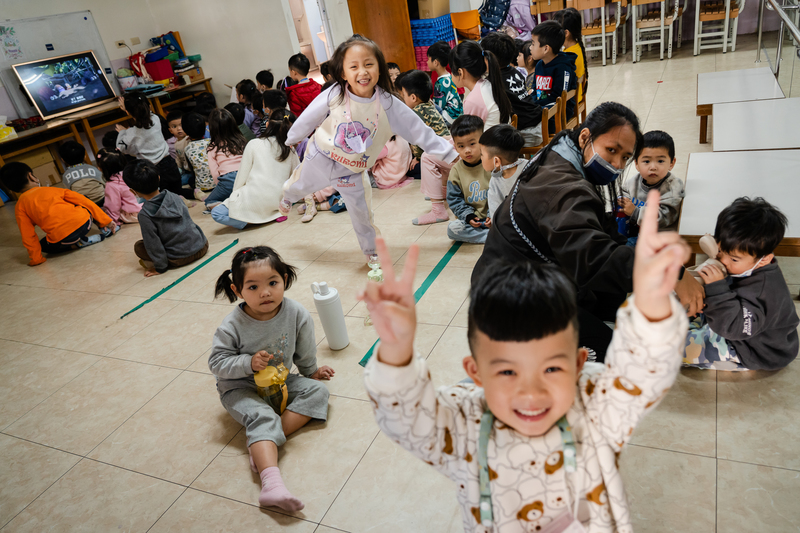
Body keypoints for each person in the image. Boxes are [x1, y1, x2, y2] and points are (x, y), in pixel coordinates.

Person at [359, 191, 690, 532]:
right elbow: (408, 420)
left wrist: (652, 314)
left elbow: (643, 376)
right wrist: (396, 352)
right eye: (506, 371)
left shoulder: (593, 400)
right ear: (476, 373)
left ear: (579, 363)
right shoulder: (464, 422)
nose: (531, 393)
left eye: (551, 368)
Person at [472, 102, 706, 361]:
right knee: (607, 353)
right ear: (586, 137)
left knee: (615, 290)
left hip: (537, 273)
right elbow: (594, 257)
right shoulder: (562, 186)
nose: (617, 164)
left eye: (626, 157)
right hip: (511, 300)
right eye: (611, 150)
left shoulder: (565, 151)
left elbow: (600, 232)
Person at [279, 34, 458, 264]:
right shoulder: (335, 93)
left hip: (352, 171)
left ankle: (371, 252)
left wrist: (449, 153)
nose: (362, 72)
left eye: (368, 64)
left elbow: (419, 130)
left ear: (379, 69)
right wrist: (292, 137)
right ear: (343, 73)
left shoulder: (388, 103)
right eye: (354, 66)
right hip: (321, 156)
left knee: (362, 214)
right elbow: (310, 116)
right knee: (300, 184)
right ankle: (287, 197)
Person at [210, 246, 334, 512]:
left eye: (273, 283)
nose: (265, 292)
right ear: (237, 291)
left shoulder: (296, 312)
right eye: (252, 287)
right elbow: (217, 364)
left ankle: (262, 442)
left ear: (285, 281)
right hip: (240, 388)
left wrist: (311, 371)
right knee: (263, 416)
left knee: (318, 392)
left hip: (280, 381)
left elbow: (305, 348)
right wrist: (247, 362)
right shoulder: (232, 325)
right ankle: (271, 485)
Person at [684, 197, 799, 371]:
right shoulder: (745, 266)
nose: (722, 260)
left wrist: (717, 289)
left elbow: (736, 328)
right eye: (721, 251)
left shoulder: (762, 291)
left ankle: (727, 358)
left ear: (764, 259)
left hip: (751, 346)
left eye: (734, 259)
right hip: (732, 318)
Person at [0, 161, 116, 265]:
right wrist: (106, 221)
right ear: (31, 176)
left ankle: (77, 244)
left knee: (43, 246)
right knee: (84, 201)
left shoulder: (20, 206)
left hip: (64, 238)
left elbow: (28, 235)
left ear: (10, 189)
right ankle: (105, 229)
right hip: (85, 223)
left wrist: (36, 259)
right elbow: (85, 202)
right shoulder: (53, 190)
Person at [211, 109, 299, 229]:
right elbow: (297, 177)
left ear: (267, 124)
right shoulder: (290, 149)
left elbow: (241, 177)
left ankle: (250, 222)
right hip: (277, 203)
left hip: (253, 199)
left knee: (216, 213)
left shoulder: (254, 144)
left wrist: (235, 197)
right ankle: (272, 215)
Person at [123, 160, 208, 277]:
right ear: (159, 178)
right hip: (201, 247)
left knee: (139, 247)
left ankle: (156, 262)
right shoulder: (175, 196)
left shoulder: (145, 214)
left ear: (133, 191)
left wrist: (160, 268)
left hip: (180, 258)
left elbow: (153, 243)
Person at [395, 70, 453, 226]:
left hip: (440, 151)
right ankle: (444, 192)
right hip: (448, 146)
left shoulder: (415, 112)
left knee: (425, 160)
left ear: (413, 97)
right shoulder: (430, 104)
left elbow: (417, 140)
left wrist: (418, 157)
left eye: (404, 96)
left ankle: (438, 210)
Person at [115, 94, 191, 200]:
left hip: (152, 170)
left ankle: (176, 200)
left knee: (159, 197)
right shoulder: (155, 119)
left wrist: (122, 131)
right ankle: (186, 196)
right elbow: (146, 113)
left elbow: (121, 148)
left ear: (128, 112)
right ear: (149, 107)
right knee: (176, 190)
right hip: (169, 163)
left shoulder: (131, 133)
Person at [480, 32, 544, 146]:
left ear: (489, 58)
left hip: (526, 133)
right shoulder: (515, 71)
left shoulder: (493, 82)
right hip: (539, 124)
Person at [619, 130, 683, 245]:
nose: (653, 167)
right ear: (637, 164)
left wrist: (635, 212)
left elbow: (664, 217)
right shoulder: (634, 181)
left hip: (659, 240)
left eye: (660, 161)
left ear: (672, 163)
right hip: (637, 232)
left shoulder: (673, 188)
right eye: (647, 161)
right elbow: (624, 191)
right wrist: (622, 200)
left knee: (622, 251)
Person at [445, 115, 492, 243]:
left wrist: (492, 215)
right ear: (455, 146)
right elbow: (454, 200)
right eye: (461, 146)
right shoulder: (456, 171)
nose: (467, 150)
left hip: (494, 218)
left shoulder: (492, 164)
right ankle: (493, 238)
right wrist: (469, 216)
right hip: (471, 222)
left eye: (472, 144)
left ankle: (494, 234)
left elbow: (502, 194)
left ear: (482, 142)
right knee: (452, 229)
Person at [449, 40, 513, 130]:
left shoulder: (472, 101)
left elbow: (468, 136)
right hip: (502, 137)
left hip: (491, 142)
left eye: (451, 70)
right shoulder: (487, 84)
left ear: (461, 72)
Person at [530, 21, 578, 126]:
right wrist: (533, 103)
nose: (530, 47)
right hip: (542, 108)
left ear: (546, 48)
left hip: (559, 113)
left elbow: (559, 98)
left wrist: (536, 105)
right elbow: (535, 89)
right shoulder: (539, 65)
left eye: (533, 44)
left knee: (526, 123)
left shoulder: (563, 67)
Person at [481, 124, 526, 219]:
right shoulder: (530, 166)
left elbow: (496, 218)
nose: (480, 158)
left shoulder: (495, 182)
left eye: (482, 154)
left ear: (496, 161)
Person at [205, 108, 246, 209]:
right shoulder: (242, 141)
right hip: (245, 177)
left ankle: (229, 205)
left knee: (209, 202)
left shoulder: (212, 147)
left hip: (228, 180)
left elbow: (214, 172)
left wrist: (220, 187)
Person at [96, 148, 141, 225]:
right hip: (146, 208)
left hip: (134, 215)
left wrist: (113, 221)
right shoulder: (131, 172)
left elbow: (113, 206)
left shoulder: (111, 184)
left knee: (101, 211)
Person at [553, 8, 588, 105]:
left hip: (571, 101)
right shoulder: (576, 47)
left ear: (566, 33)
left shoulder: (568, 55)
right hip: (578, 95)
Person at [58, 140, 105, 207]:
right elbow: (104, 183)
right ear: (85, 156)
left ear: (63, 160)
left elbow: (68, 193)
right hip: (102, 199)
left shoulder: (66, 175)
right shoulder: (92, 168)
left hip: (84, 204)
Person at [427, 41, 463, 126]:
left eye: (428, 59)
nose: (427, 62)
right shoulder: (450, 76)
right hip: (458, 115)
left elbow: (438, 107)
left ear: (436, 62)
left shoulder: (440, 83)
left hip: (449, 118)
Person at [182, 112, 214, 200]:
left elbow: (190, 168)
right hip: (218, 182)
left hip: (202, 187)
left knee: (190, 180)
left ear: (185, 131)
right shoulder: (211, 142)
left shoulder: (187, 148)